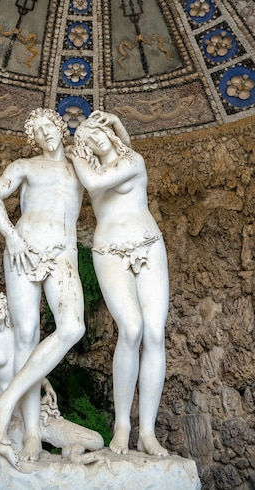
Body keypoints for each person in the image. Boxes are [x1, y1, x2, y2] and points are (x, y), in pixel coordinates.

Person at [0, 108, 85, 469]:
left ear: (61, 127)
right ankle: (30, 431)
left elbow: (120, 157)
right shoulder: (25, 165)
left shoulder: (79, 164)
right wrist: (11, 237)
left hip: (62, 253)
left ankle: (6, 399)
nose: (45, 136)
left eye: (49, 128)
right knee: (26, 335)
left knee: (72, 326)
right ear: (33, 139)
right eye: (37, 132)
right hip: (23, 249)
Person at [71, 110, 169, 458]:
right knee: (131, 329)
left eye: (97, 130)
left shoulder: (133, 160)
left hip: (147, 245)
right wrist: (73, 147)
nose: (93, 137)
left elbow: (97, 182)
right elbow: (90, 182)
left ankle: (147, 431)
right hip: (109, 250)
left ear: (110, 133)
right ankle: (122, 424)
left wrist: (115, 125)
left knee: (155, 333)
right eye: (85, 137)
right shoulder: (88, 168)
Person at [0, 291, 60, 434]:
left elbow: (31, 364)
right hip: (7, 401)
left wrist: (45, 383)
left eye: (2, 304)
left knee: (85, 437)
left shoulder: (16, 332)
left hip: (30, 394)